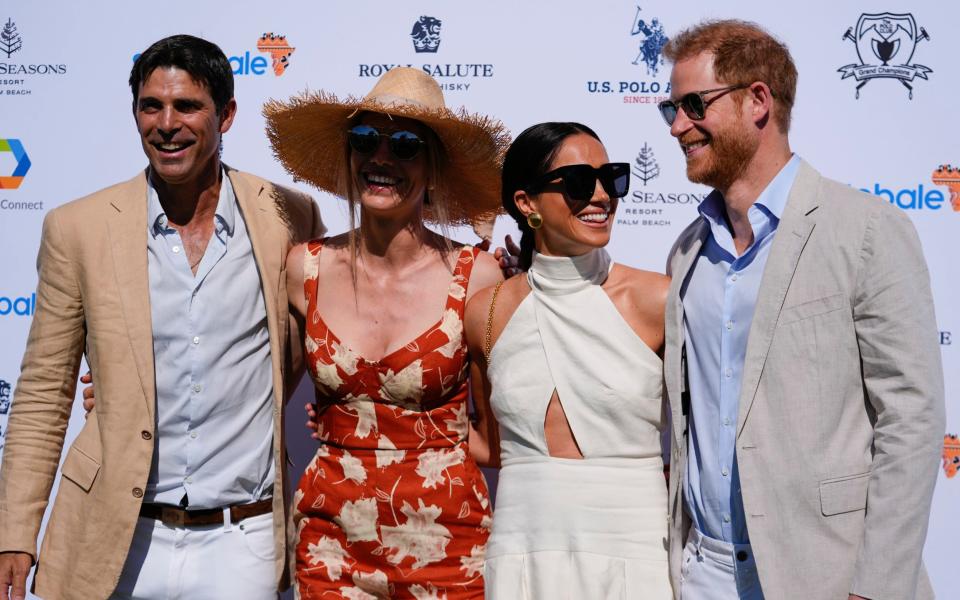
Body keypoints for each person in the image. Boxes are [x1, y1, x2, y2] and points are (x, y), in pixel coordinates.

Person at [0, 34, 324, 600]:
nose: (166, 123)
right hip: (117, 538)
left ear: (225, 115)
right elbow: (42, 395)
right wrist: (14, 533)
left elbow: (307, 347)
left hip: (241, 542)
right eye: (151, 106)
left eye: (187, 106)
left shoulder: (287, 216)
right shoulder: (78, 229)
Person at [659, 20, 944, 600]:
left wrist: (876, 587)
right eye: (670, 109)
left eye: (693, 104)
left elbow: (910, 421)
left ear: (757, 101)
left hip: (826, 576)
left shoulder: (865, 229)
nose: (678, 126)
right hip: (703, 576)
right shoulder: (686, 251)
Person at [263, 67, 508, 598]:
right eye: (365, 140)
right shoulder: (302, 268)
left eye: (405, 145)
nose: (381, 158)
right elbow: (247, 376)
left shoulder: (476, 276)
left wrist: (410, 431)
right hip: (329, 543)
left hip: (448, 543)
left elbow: (496, 434)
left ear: (434, 170)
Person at [464, 122, 672, 598]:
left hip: (636, 547)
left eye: (613, 178)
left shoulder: (656, 300)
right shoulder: (487, 313)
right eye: (580, 182)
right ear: (526, 203)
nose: (601, 196)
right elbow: (488, 445)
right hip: (523, 546)